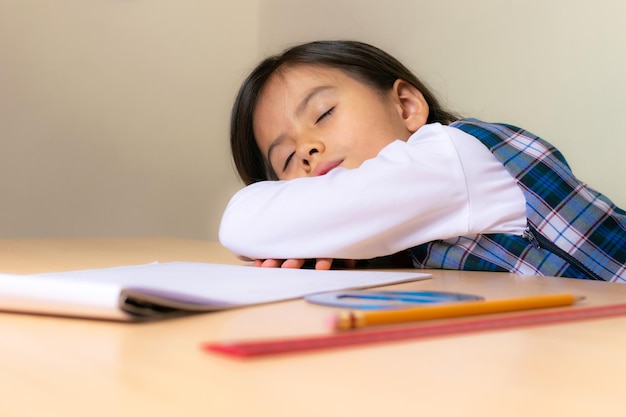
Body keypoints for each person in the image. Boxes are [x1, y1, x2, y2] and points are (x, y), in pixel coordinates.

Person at [219, 40, 626, 282]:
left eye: (324, 115)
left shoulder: (448, 155)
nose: (308, 149)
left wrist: (308, 228)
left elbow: (240, 222)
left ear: (406, 105)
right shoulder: (405, 224)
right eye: (287, 158)